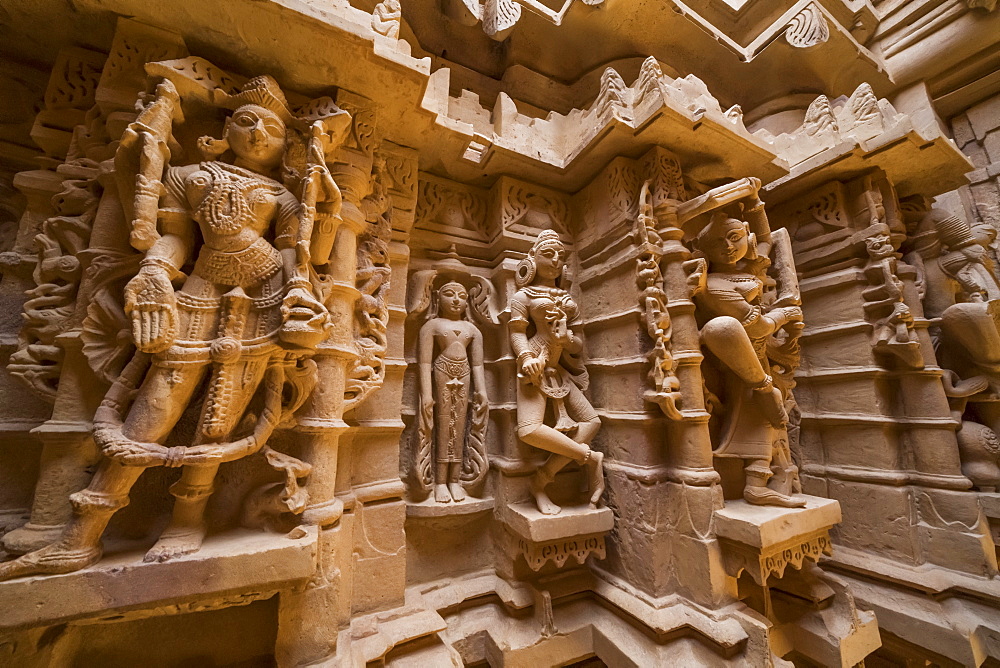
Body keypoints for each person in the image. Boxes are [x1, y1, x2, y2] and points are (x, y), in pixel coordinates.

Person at [0, 76, 336, 581]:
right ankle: (82, 533)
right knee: (156, 404)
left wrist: (301, 291)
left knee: (223, 413)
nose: (258, 133)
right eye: (246, 121)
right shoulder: (190, 176)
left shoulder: (283, 197)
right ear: (225, 127)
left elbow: (296, 253)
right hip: (199, 290)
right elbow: (176, 238)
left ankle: (187, 518)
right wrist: (155, 271)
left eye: (271, 128)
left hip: (263, 296)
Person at [693, 212, 805, 507]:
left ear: (746, 237)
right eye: (719, 244)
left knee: (766, 409)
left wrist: (756, 205)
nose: (728, 248)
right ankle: (756, 482)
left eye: (734, 238)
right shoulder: (715, 284)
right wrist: (785, 314)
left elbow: (769, 239)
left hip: (760, 353)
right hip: (737, 352)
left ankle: (758, 482)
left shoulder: (749, 267)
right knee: (763, 401)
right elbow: (756, 325)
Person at [509, 230, 604, 515]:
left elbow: (578, 345)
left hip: (559, 368)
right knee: (529, 430)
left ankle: (541, 481)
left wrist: (566, 340)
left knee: (591, 422)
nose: (555, 261)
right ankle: (589, 457)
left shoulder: (567, 298)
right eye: (548, 255)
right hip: (535, 366)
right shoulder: (522, 296)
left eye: (560, 257)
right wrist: (526, 358)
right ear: (533, 259)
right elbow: (516, 333)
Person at [417, 281, 488, 503]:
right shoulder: (431, 326)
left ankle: (455, 481)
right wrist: (427, 395)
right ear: (438, 298)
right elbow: (423, 362)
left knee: (459, 427)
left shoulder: (473, 330)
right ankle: (439, 482)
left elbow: (477, 364)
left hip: (464, 376)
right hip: (441, 373)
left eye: (462, 295)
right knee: (442, 426)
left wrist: (482, 391)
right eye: (450, 294)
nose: (456, 299)